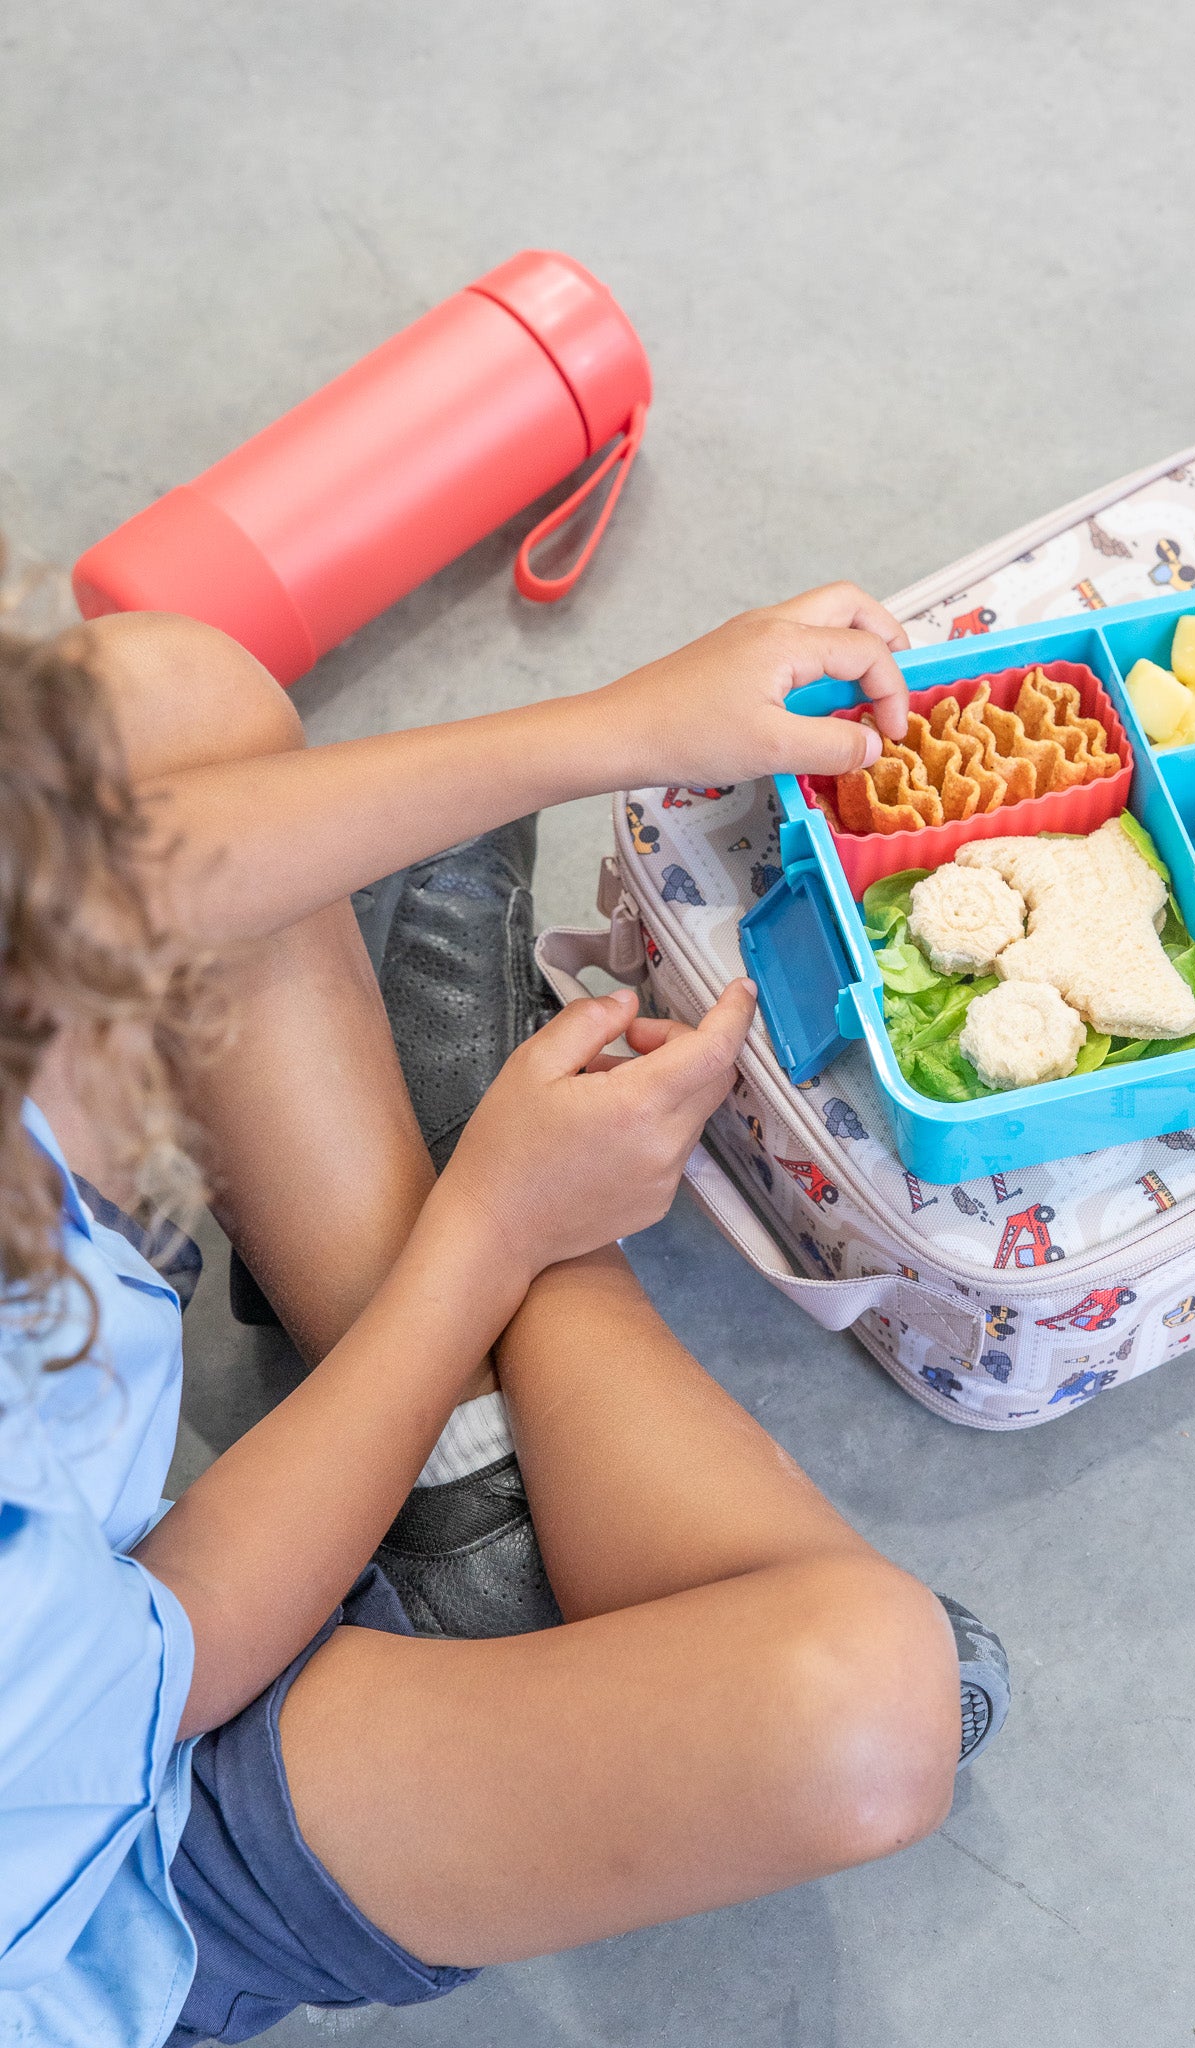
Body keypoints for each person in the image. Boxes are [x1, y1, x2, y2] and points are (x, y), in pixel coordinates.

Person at [0, 581, 1009, 2048]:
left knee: (164, 706)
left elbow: (78, 884)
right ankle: (462, 1174)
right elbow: (185, 1641)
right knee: (863, 1715)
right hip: (108, 1852)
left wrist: (606, 731)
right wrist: (494, 1229)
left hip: (64, 1591)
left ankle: (448, 1420)